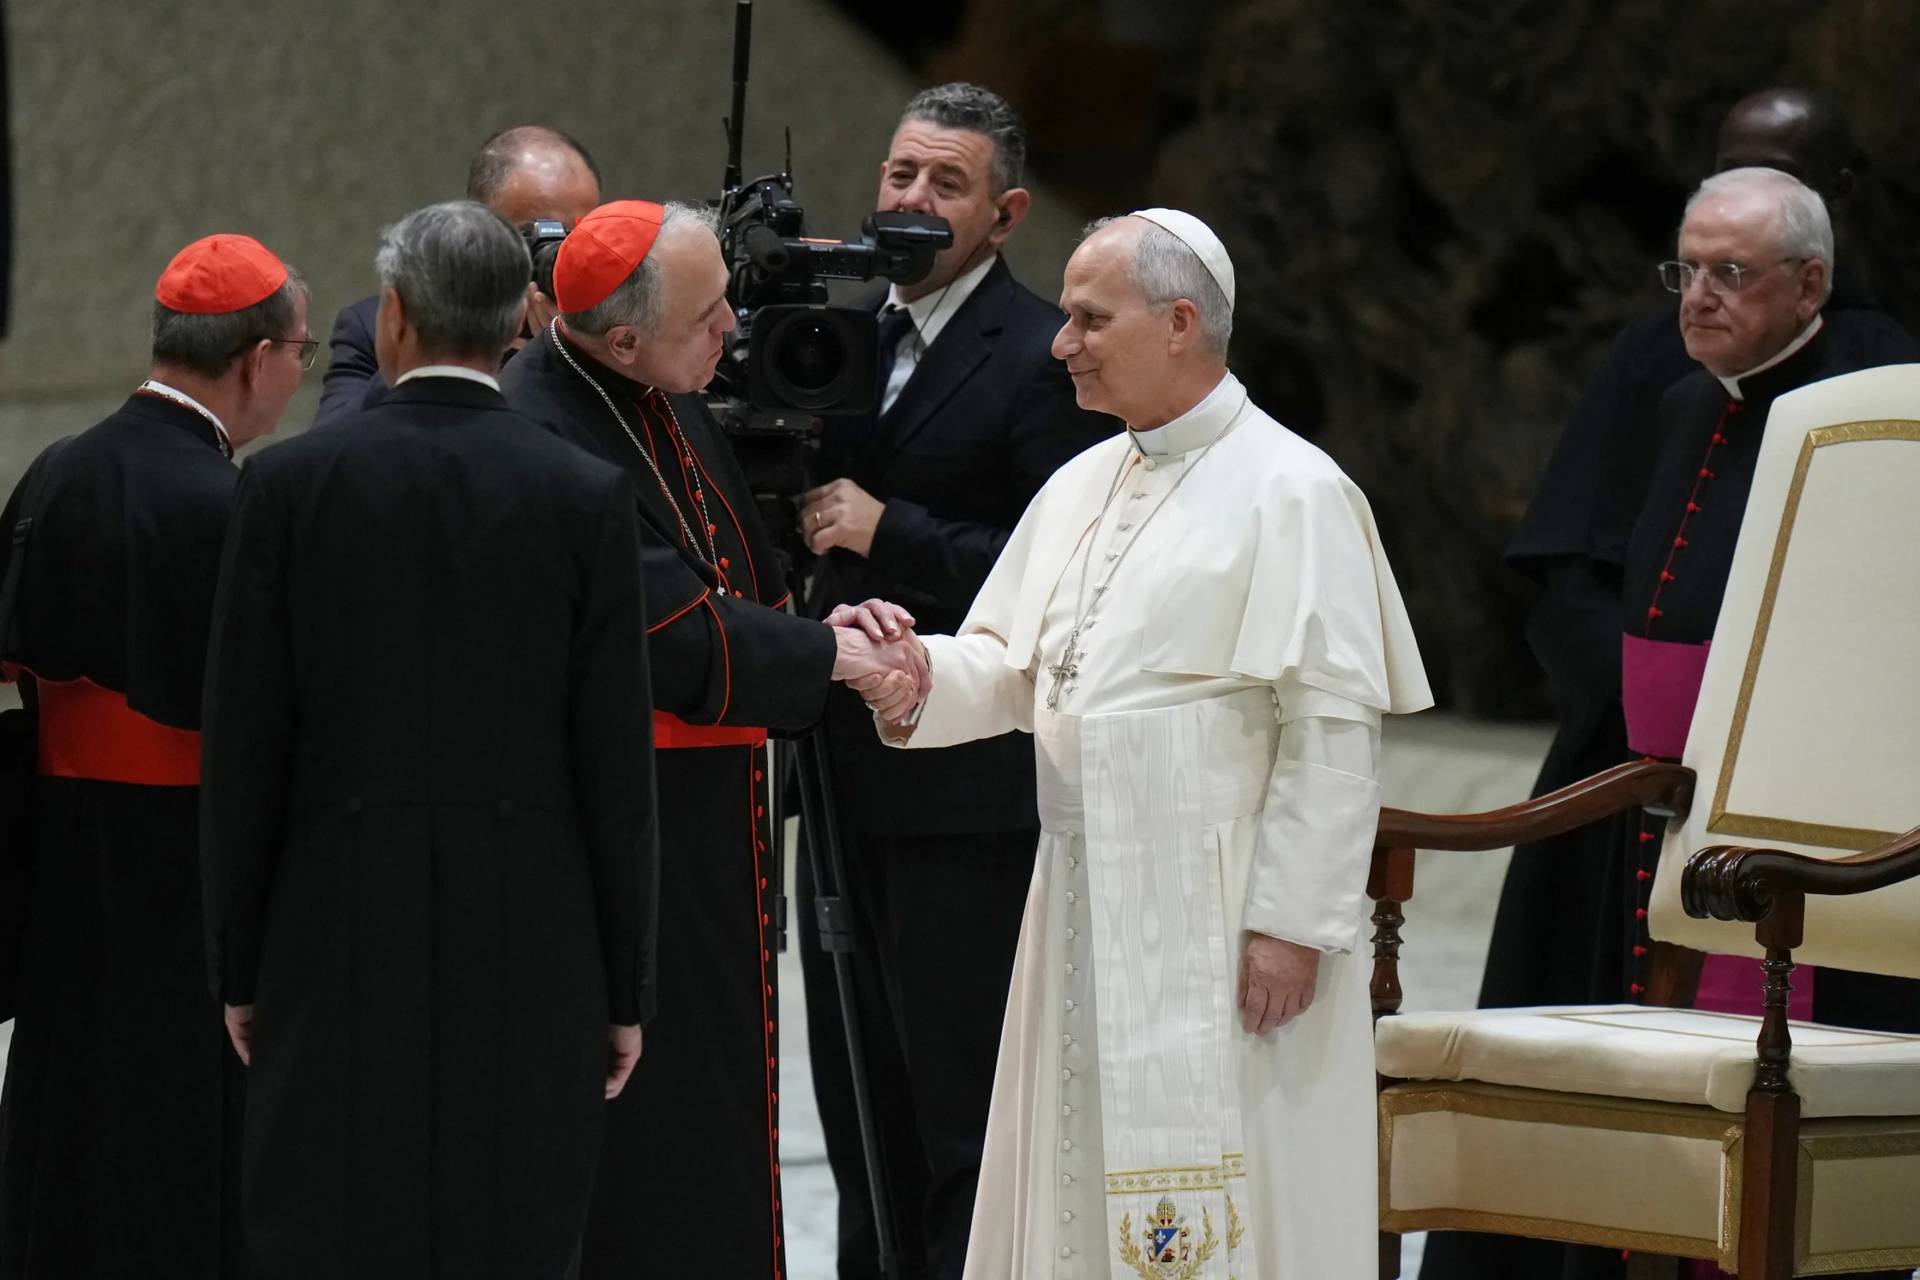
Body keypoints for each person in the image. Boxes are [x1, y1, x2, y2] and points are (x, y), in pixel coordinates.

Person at [869, 210, 1430, 1277]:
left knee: (1238, 1185)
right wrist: (910, 675)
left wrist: (1292, 923)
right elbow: (1019, 664)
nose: (1059, 342)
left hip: (1224, 904)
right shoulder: (1082, 481)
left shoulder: (1295, 488)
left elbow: (1332, 730)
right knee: (1074, 1170)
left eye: (1088, 317)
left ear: (1180, 322)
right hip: (1081, 885)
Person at [199, 201, 657, 1278]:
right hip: (534, 921)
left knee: (337, 1212)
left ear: (393, 317)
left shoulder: (286, 485)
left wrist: (237, 959)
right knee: (512, 1214)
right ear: (517, 324)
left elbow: (246, 746)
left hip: (332, 911)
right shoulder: (585, 493)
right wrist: (625, 986)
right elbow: (614, 764)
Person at [500, 197, 926, 1280]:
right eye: (709, 313)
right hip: (631, 830)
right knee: (659, 1134)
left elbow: (740, 583)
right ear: (624, 335)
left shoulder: (665, 390)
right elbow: (672, 635)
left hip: (715, 821)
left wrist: (820, 626)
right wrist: (825, 662)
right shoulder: (542, 429)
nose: (735, 328)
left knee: (726, 1105)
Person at [794, 82, 1115, 1280]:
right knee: (854, 1092)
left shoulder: (1043, 355)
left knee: (956, 1097)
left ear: (1005, 212)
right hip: (832, 770)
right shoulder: (830, 333)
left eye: (945, 184)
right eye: (897, 175)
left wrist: (891, 532)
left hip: (966, 793)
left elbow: (1060, 571)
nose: (911, 201)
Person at [0, 233, 307, 1277]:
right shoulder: (229, 506)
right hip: (184, 882)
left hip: (57, 871)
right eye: (301, 353)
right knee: (177, 1151)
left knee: (65, 1127)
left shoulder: (54, 470)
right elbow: (271, 725)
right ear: (257, 357)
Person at [312, 124, 602, 426]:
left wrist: (577, 362)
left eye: (577, 238)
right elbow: (331, 447)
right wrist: (435, 349)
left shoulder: (615, 336)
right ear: (477, 222)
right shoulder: (381, 322)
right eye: (534, 237)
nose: (556, 257)